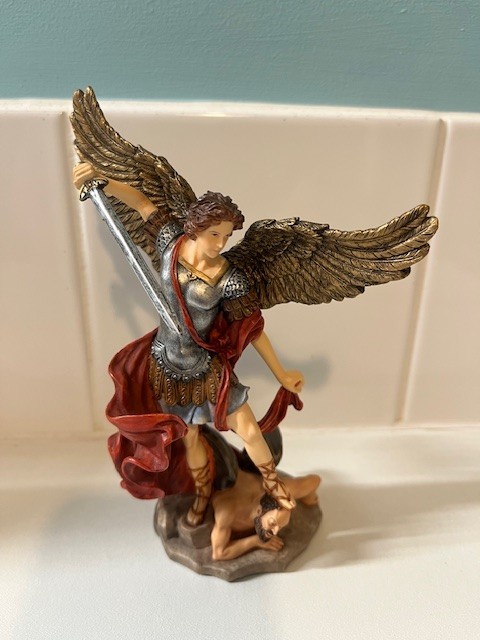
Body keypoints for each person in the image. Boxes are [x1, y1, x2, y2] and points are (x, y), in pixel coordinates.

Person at [73, 163, 305, 526]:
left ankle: (274, 486)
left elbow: (253, 329)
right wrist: (104, 182)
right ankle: (201, 496)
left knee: (247, 428)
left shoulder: (229, 279)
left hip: (206, 367)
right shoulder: (170, 243)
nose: (221, 244)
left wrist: (281, 373)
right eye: (215, 234)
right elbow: (143, 204)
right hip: (166, 366)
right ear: (195, 228)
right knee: (191, 437)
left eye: (226, 236)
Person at [210, 470, 321, 561]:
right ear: (260, 511)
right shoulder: (228, 513)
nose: (275, 532)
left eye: (280, 526)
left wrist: (310, 498)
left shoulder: (283, 491)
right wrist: (254, 541)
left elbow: (315, 480)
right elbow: (219, 553)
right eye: (272, 523)